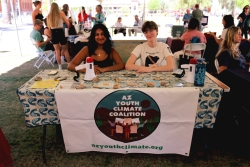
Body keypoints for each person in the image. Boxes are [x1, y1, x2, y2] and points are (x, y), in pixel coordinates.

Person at [47, 2, 71, 70]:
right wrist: (62, 21)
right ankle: (69, 64)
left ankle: (59, 67)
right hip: (60, 31)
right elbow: (68, 22)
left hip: (53, 32)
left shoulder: (49, 15)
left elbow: (49, 27)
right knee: (65, 50)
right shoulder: (61, 13)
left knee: (57, 51)